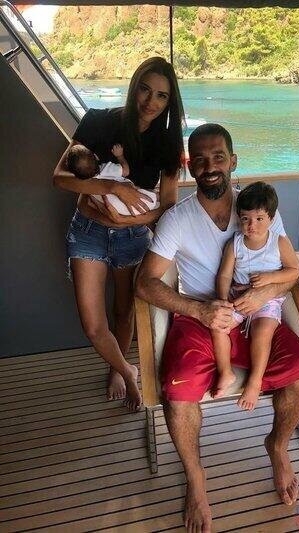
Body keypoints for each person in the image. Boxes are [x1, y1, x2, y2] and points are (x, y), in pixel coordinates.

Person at [135, 123, 299, 532]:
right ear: (190, 167)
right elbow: (144, 283)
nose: (210, 166)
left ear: (233, 161)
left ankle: (277, 445)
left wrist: (261, 294)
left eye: (218, 157)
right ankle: (195, 479)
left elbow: (292, 272)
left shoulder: (257, 207)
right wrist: (198, 310)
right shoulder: (178, 219)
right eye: (199, 159)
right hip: (201, 315)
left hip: (256, 313)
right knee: (178, 394)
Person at [53, 56, 185, 411]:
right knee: (93, 325)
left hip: (132, 237)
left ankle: (117, 370)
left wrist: (128, 222)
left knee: (124, 312)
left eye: (161, 96)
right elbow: (60, 177)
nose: (150, 101)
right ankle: (128, 370)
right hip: (87, 232)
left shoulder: (168, 144)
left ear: (169, 102)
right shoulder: (98, 121)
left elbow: (168, 207)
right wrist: (113, 188)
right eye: (145, 89)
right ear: (133, 87)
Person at [211, 181, 299, 409]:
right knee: (218, 325)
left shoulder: (278, 242)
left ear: (271, 218)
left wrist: (270, 278)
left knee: (262, 332)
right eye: (245, 219)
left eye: (259, 218)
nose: (252, 225)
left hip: (268, 300)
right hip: (238, 298)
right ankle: (225, 371)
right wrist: (223, 300)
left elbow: (294, 270)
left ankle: (254, 381)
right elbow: (224, 275)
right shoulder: (235, 244)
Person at [66, 143, 159, 215]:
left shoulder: (89, 188)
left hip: (119, 211)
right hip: (142, 204)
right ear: (96, 156)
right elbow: (126, 171)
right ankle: (157, 196)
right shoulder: (107, 169)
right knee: (152, 195)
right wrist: (120, 156)